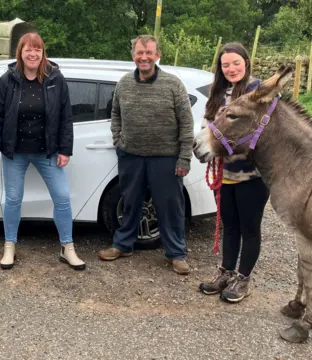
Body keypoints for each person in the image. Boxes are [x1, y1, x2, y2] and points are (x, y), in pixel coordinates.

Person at [0, 33, 85, 271]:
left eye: (37, 50)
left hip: (47, 151)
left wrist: (65, 149)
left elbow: (65, 117)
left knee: (62, 197)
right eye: (28, 50)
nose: (33, 54)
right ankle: (10, 245)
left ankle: (67, 247)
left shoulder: (56, 79)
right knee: (13, 199)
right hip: (15, 152)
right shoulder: (8, 80)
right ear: (20, 52)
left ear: (43, 53)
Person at [98, 35, 194, 275]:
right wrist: (119, 140)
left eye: (149, 52)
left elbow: (187, 123)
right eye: (140, 52)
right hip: (131, 156)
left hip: (166, 158)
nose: (144, 57)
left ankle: (177, 254)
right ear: (133, 55)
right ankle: (123, 245)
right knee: (130, 203)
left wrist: (184, 158)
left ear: (157, 55)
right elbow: (116, 114)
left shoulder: (173, 84)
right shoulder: (123, 84)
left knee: (169, 207)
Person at [198, 42, 270, 302]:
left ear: (246, 63)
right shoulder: (217, 92)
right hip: (226, 173)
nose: (231, 69)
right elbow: (210, 128)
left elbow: (268, 130)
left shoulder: (258, 92)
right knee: (230, 226)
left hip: (253, 175)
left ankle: (244, 278)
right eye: (225, 64)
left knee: (250, 228)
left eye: (236, 63)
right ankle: (226, 271)